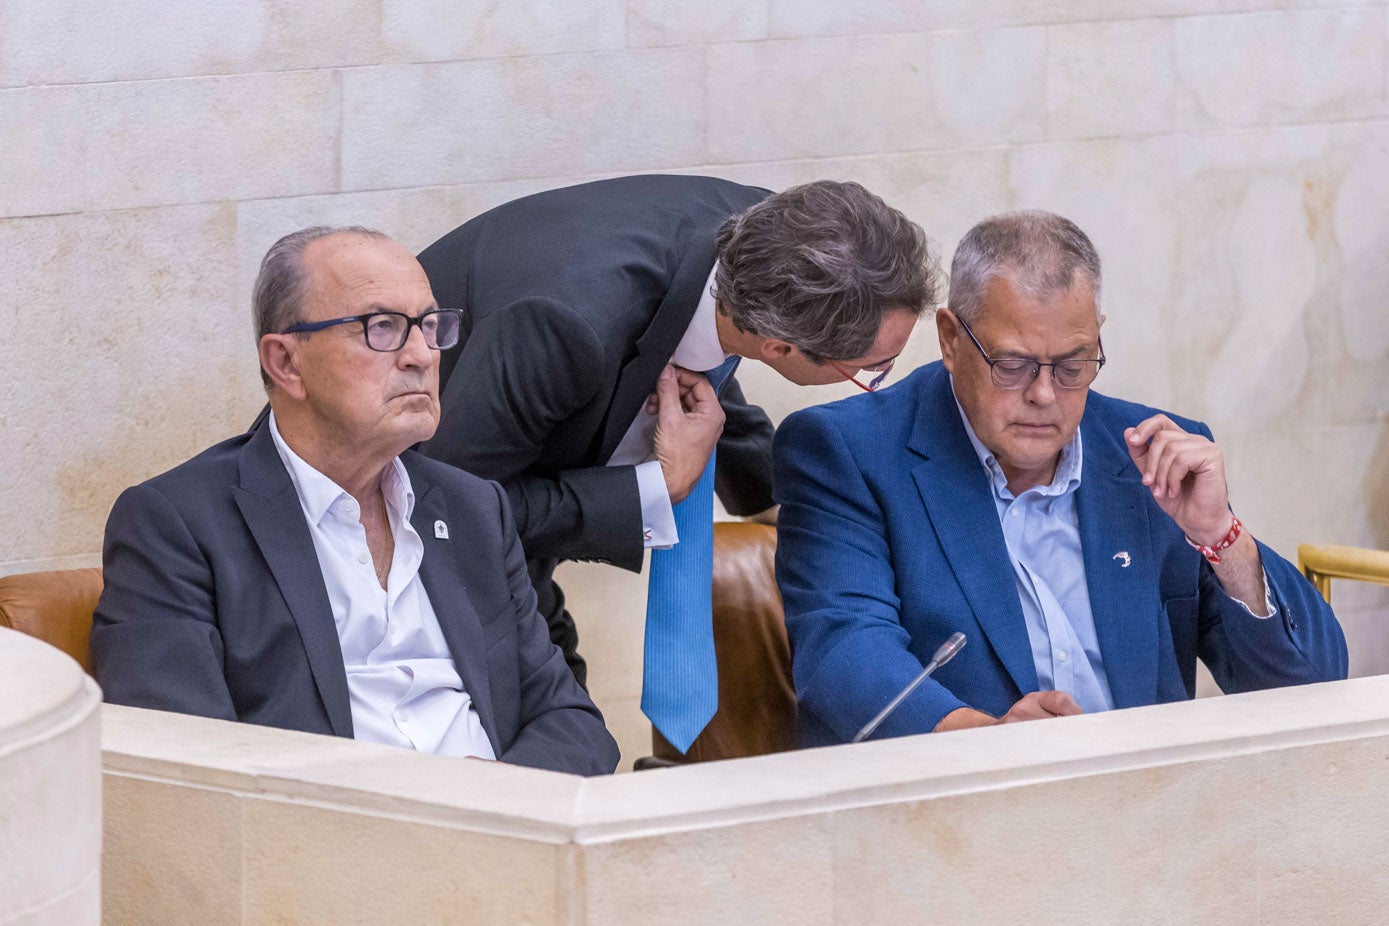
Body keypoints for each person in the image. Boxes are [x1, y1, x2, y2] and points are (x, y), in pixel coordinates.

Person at [775, 210, 1348, 746]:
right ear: (952, 339)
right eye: (1012, 365)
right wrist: (986, 742)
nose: (1044, 394)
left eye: (1073, 366)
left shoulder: (1150, 454)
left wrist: (1221, 536)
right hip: (955, 822)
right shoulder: (848, 450)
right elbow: (845, 650)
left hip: (1148, 813)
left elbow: (1312, 685)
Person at [417, 174, 938, 752]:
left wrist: (787, 502)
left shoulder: (770, 240)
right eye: (872, 369)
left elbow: (695, 366)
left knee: (579, 737)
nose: (875, 377)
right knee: (574, 753)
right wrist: (655, 488)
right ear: (781, 348)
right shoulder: (568, 324)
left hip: (497, 538)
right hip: (406, 574)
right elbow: (440, 511)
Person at [91, 227, 619, 776]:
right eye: (382, 327)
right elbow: (177, 767)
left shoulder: (472, 508)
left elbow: (571, 721)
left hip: (508, 830)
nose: (422, 355)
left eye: (430, 325)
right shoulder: (178, 524)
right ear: (287, 364)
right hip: (333, 842)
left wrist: (492, 798)